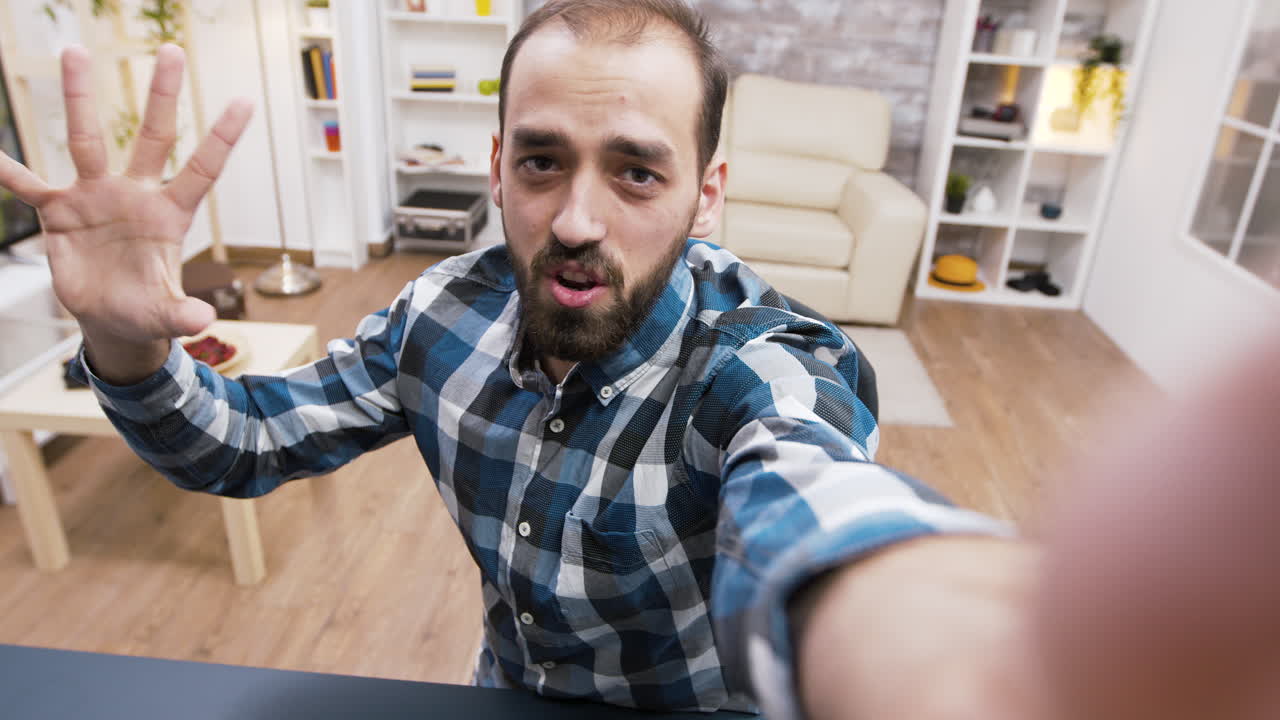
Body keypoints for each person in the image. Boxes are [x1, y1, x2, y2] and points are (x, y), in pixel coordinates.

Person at [3, 1, 1277, 719]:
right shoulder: (436, 316)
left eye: (636, 171)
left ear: (704, 194)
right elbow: (239, 444)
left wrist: (943, 649)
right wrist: (119, 330)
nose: (575, 220)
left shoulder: (763, 366)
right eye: (544, 160)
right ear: (496, 167)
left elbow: (814, 506)